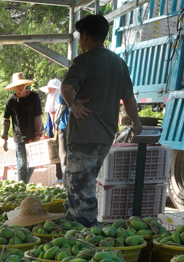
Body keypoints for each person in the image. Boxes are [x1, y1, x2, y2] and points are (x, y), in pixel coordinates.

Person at [61, 14, 142, 226]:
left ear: (86, 36)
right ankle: (72, 221)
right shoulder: (118, 62)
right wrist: (137, 123)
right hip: (106, 135)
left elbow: (67, 87)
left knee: (80, 185)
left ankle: (87, 231)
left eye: (80, 36)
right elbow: (129, 99)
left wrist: (74, 104)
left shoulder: (84, 60)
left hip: (83, 134)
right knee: (81, 182)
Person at [1, 73, 44, 184]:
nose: (21, 87)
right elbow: (6, 120)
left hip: (33, 135)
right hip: (19, 136)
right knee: (21, 163)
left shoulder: (34, 97)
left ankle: (23, 185)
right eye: (18, 85)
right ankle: (22, 187)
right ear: (14, 87)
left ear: (25, 84)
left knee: (33, 162)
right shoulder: (10, 101)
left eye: (22, 85)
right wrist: (4, 138)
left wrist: (38, 134)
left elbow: (38, 117)